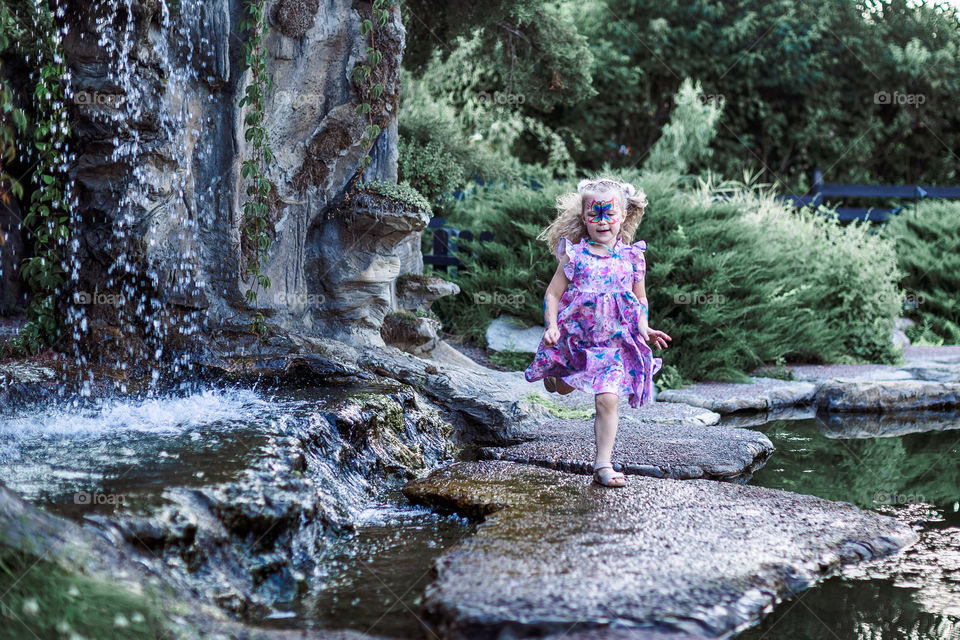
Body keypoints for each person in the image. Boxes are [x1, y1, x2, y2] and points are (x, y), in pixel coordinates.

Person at [524, 176, 672, 487]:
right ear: (584, 217)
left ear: (624, 216)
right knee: (562, 389)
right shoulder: (574, 256)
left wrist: (644, 326)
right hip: (575, 341)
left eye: (609, 213)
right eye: (594, 214)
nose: (602, 222)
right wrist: (552, 325)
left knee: (607, 399)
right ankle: (555, 375)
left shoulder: (633, 258)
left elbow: (640, 297)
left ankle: (602, 464)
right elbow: (552, 294)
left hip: (614, 345)